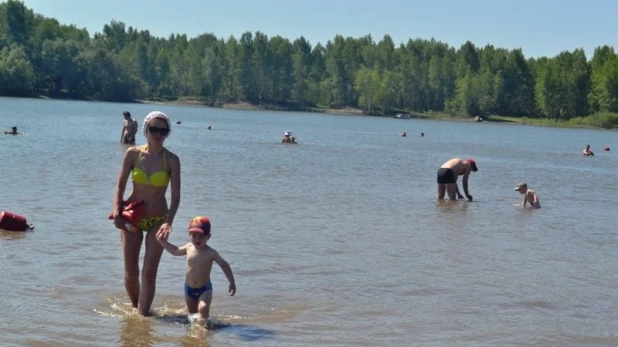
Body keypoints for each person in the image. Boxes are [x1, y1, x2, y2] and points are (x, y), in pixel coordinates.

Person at [112, 111, 181, 316]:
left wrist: (169, 222)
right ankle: (137, 313)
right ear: (146, 130)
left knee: (149, 274)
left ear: (168, 133)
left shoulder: (172, 160)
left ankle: (142, 317)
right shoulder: (133, 154)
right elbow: (120, 186)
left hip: (158, 220)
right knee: (131, 273)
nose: (158, 134)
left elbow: (176, 196)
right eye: (154, 129)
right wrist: (117, 211)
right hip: (132, 217)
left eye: (163, 130)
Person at [157, 216, 236, 328]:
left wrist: (231, 281)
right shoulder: (189, 247)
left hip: (205, 289)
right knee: (193, 316)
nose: (197, 239)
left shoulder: (211, 253)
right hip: (189, 289)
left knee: (203, 309)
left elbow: (224, 264)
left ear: (208, 236)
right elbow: (175, 251)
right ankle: (194, 337)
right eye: (194, 236)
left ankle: (202, 333)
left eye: (201, 236)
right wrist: (162, 241)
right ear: (189, 235)